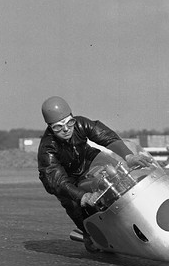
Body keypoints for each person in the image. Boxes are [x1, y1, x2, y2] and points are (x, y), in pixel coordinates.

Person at [37, 96, 151, 239]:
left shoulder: (81, 124)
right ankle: (89, 235)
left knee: (117, 173)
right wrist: (82, 196)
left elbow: (105, 136)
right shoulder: (47, 148)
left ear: (73, 118)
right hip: (66, 179)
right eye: (58, 127)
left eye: (69, 122)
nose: (66, 129)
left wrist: (129, 156)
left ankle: (144, 213)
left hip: (89, 160)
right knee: (73, 204)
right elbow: (56, 180)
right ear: (50, 127)